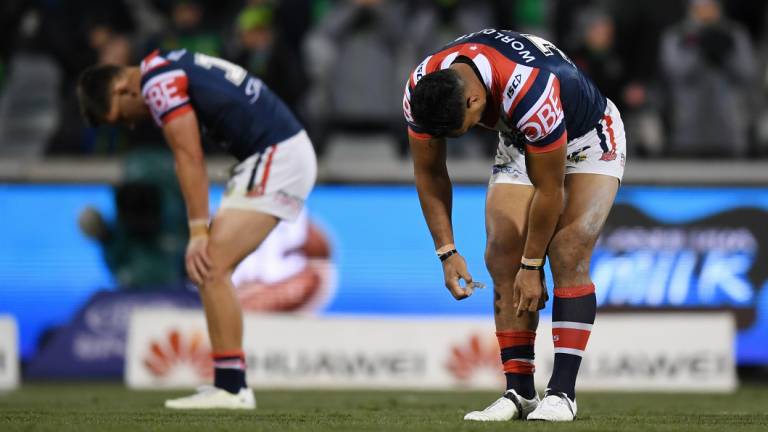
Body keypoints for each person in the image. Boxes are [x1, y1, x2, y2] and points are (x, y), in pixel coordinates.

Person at [403, 28, 626, 422]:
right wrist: (446, 251)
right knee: (502, 251)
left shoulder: (527, 88)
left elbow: (550, 188)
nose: (468, 133)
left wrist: (532, 266)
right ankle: (520, 391)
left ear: (473, 99)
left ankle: (562, 393)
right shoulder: (421, 87)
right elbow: (429, 171)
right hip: (521, 136)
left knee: (568, 248)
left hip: (589, 138)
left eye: (467, 126)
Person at [76, 48, 317, 409]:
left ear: (123, 89)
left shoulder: (155, 83)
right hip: (274, 152)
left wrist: (198, 232)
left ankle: (232, 388)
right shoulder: (166, 62)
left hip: (275, 155)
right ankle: (229, 383)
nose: (129, 123)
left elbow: (189, 157)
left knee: (210, 264)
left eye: (120, 116)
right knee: (211, 271)